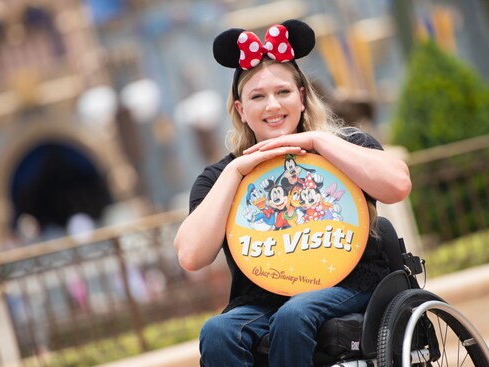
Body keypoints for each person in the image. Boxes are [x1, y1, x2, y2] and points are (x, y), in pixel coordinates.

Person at [173, 19, 411, 366]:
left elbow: (398, 185)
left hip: (348, 283)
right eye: (257, 96)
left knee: (295, 314)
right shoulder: (218, 177)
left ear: (301, 97)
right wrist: (238, 170)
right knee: (218, 331)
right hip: (261, 296)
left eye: (282, 92)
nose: (272, 105)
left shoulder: (346, 145)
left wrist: (316, 141)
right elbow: (191, 256)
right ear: (240, 109)